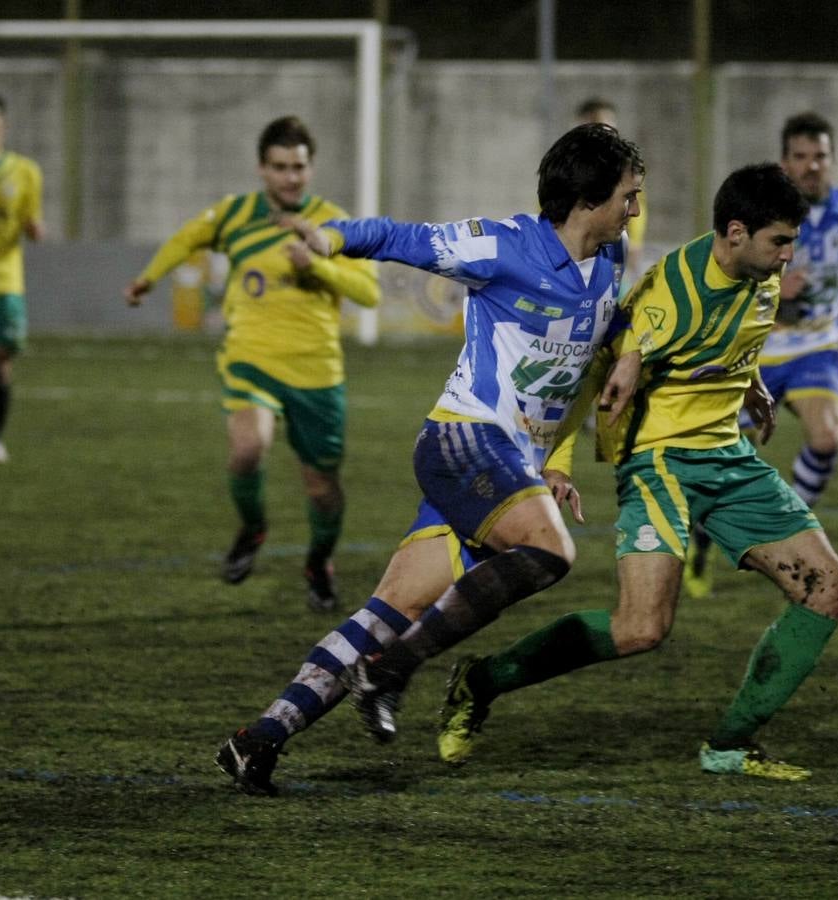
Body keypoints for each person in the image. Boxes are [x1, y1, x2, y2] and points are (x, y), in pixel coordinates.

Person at [214, 122, 645, 796]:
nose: (636, 210)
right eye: (628, 196)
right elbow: (399, 238)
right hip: (463, 439)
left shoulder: (609, 271)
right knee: (552, 551)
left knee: (387, 610)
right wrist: (329, 238)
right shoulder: (504, 246)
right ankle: (393, 671)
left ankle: (259, 738)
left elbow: (581, 370)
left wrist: (560, 455)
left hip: (505, 469)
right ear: (590, 200)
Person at [435, 163, 838, 782]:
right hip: (659, 461)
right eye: (780, 242)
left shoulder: (761, 276)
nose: (790, 256)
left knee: (831, 589)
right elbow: (610, 361)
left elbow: (729, 334)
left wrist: (751, 384)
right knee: (641, 628)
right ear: (735, 233)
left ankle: (730, 746)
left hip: (728, 459)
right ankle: (481, 679)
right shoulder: (670, 293)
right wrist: (560, 458)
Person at [124, 115, 381, 611]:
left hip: (316, 369)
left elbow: (368, 293)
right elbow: (186, 239)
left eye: (299, 167)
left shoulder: (332, 222)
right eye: (280, 167)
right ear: (262, 168)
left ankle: (318, 561)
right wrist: (149, 278)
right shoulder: (234, 214)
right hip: (250, 357)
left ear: (310, 169)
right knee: (247, 448)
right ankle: (253, 528)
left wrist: (319, 265)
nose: (291, 177)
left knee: (322, 486)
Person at [683, 111, 838, 600]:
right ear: (784, 162)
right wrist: (772, 281)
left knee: (827, 437)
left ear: (832, 160)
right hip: (758, 352)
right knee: (725, 462)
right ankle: (702, 537)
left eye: (821, 156)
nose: (812, 166)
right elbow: (723, 272)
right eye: (801, 157)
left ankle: (784, 525)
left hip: (817, 347)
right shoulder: (761, 218)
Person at [0, 95, 47, 464]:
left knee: (4, 355)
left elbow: (34, 226)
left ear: (4, 125)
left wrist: (35, 228)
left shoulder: (25, 172)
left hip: (6, 278)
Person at [574, 97, 647, 292]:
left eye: (611, 125)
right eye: (602, 125)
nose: (610, 131)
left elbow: (636, 215)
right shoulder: (566, 169)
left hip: (610, 261)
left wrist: (634, 251)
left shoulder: (626, 168)